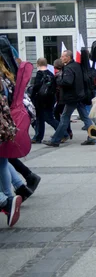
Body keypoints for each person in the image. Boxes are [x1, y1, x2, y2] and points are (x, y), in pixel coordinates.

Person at [43, 50, 95, 147]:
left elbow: (67, 82)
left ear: (68, 57)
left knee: (64, 118)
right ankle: (93, 136)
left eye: (63, 56)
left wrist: (58, 80)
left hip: (72, 97)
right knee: (84, 117)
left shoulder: (68, 68)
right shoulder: (77, 65)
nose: (61, 58)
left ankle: (55, 140)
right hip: (79, 95)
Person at [0, 56, 22, 227]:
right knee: (2, 163)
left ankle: (6, 201)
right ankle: (9, 199)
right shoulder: (5, 77)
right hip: (4, 127)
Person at [30, 58, 60, 144]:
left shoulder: (39, 74)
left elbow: (36, 88)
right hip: (50, 99)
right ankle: (62, 132)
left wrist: (31, 97)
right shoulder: (50, 74)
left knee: (41, 119)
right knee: (49, 117)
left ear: (38, 64)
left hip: (40, 100)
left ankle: (38, 137)